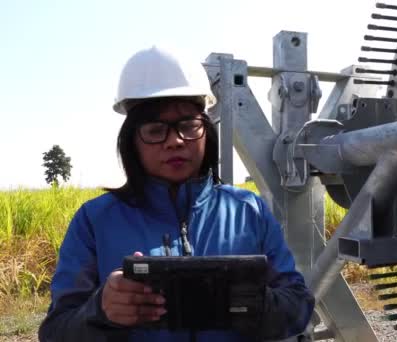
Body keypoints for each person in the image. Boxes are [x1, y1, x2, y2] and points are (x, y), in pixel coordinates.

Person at [38, 46, 315, 342]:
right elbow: (56, 331)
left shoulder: (249, 210)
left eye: (188, 126)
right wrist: (101, 311)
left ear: (206, 131)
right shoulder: (94, 222)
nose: (175, 141)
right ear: (132, 141)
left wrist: (258, 306)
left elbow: (298, 306)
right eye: (156, 130)